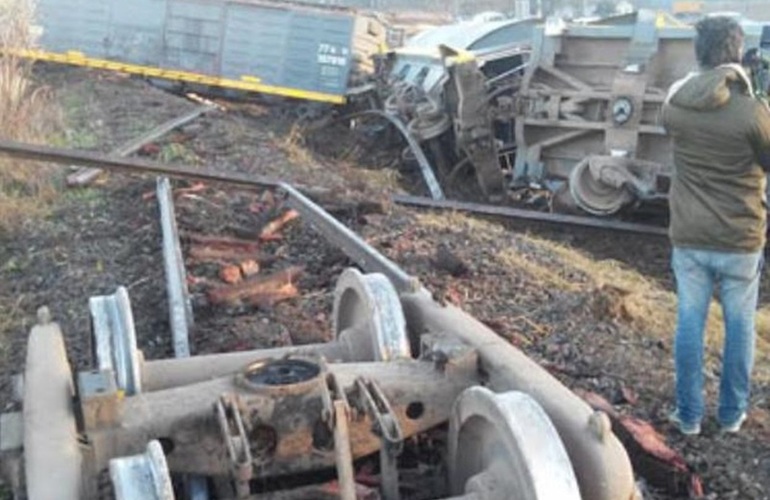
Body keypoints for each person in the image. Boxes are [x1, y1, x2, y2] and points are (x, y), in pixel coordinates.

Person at [661, 15, 770, 435]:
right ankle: (730, 415)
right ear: (738, 52)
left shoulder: (676, 106)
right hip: (740, 239)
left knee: (690, 320)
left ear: (698, 53)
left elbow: (679, 105)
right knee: (740, 325)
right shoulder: (753, 112)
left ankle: (688, 416)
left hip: (689, 236)